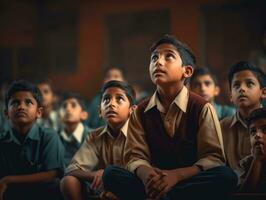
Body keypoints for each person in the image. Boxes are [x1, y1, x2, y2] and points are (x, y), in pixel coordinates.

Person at [102, 35, 237, 200]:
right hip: (151, 182)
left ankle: (161, 197)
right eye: (154, 58)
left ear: (186, 71)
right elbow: (135, 157)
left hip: (188, 180)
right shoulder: (140, 111)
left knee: (226, 176)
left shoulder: (202, 108)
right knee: (110, 174)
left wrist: (176, 176)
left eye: (169, 56)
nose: (158, 62)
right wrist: (148, 176)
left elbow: (213, 158)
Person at [60, 80, 136, 200]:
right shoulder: (95, 136)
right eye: (106, 99)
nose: (111, 104)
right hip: (104, 189)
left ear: (132, 110)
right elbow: (72, 169)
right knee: (68, 181)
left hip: (134, 189)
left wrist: (107, 177)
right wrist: (95, 174)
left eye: (119, 99)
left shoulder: (139, 134)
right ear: (100, 111)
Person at [0, 80, 65, 200]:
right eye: (15, 103)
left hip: (42, 193)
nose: (21, 107)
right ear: (6, 113)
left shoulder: (49, 136)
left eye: (28, 102)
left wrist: (9, 180)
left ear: (39, 112)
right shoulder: (2, 141)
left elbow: (51, 174)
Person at [220, 61, 266, 187]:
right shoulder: (222, 127)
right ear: (230, 96)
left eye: (249, 84)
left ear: (263, 92)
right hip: (235, 188)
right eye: (236, 85)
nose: (242, 89)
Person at [58, 92, 90, 166]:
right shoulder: (54, 137)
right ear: (59, 116)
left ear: (84, 115)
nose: (68, 109)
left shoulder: (93, 136)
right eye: (64, 106)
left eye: (73, 105)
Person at [240, 108, 266, 193]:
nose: (257, 135)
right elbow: (244, 195)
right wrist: (257, 160)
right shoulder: (246, 163)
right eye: (253, 131)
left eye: (265, 130)